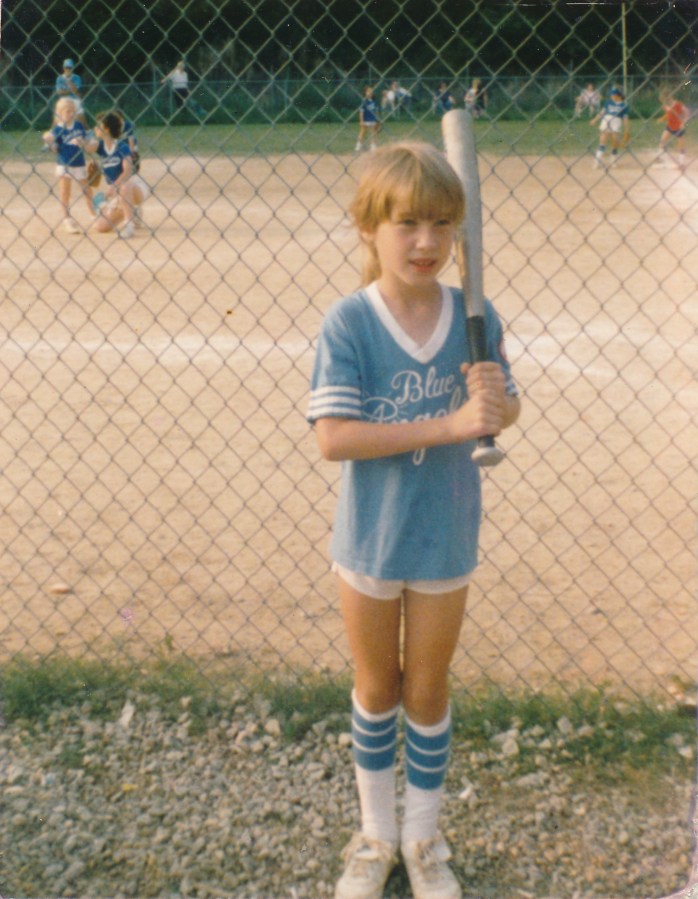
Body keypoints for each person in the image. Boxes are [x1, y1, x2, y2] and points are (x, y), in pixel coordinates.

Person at [307, 142, 520, 899]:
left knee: (427, 688)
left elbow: (502, 409)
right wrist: (453, 421)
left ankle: (424, 836)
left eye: (442, 224)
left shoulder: (474, 312)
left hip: (445, 534)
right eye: (407, 224)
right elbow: (335, 437)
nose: (427, 242)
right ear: (371, 228)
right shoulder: (349, 323)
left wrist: (497, 402)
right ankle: (376, 835)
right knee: (377, 685)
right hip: (370, 537)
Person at [84, 110, 150, 238]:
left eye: (98, 126)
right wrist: (81, 140)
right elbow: (89, 146)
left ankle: (129, 226)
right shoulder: (101, 147)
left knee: (124, 186)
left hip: (134, 187)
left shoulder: (122, 147)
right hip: (118, 193)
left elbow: (127, 171)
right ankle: (132, 211)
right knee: (101, 227)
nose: (95, 128)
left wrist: (114, 186)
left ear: (107, 129)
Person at [42, 97, 94, 234]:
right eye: (68, 111)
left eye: (73, 111)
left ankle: (93, 214)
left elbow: (86, 140)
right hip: (64, 164)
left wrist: (82, 142)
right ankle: (67, 219)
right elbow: (52, 142)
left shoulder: (78, 125)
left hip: (79, 163)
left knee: (87, 189)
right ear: (59, 113)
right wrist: (49, 140)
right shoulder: (58, 129)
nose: (71, 114)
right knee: (65, 192)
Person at [590, 86, 630, 169]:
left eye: (613, 95)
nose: (611, 96)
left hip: (616, 122)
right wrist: (595, 119)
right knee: (602, 142)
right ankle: (597, 162)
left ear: (618, 95)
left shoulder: (624, 105)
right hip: (606, 120)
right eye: (611, 95)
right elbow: (602, 112)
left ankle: (613, 162)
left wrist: (626, 129)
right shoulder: (608, 102)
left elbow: (625, 118)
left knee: (615, 143)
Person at [655, 89, 689, 169]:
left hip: (678, 126)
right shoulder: (665, 105)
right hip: (670, 126)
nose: (663, 101)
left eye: (664, 99)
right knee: (662, 140)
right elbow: (669, 114)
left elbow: (686, 112)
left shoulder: (678, 104)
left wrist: (683, 122)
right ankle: (661, 158)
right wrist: (662, 118)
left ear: (669, 98)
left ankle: (681, 163)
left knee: (681, 144)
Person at [54, 58, 86, 125]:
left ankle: (86, 132)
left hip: (74, 99)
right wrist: (70, 90)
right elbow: (59, 92)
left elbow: (75, 91)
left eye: (70, 68)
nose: (68, 69)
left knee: (81, 119)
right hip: (64, 100)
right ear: (63, 68)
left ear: (72, 68)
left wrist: (69, 80)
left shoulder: (77, 78)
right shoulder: (60, 78)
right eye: (66, 67)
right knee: (58, 120)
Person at [356, 86, 380, 152]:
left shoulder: (375, 101)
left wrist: (378, 120)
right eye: (368, 91)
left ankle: (373, 147)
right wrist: (361, 121)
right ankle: (358, 146)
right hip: (366, 120)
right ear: (365, 93)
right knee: (362, 132)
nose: (370, 93)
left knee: (373, 133)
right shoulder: (364, 101)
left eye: (371, 91)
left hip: (373, 120)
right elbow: (361, 112)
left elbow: (377, 111)